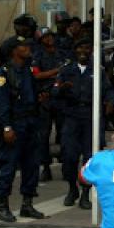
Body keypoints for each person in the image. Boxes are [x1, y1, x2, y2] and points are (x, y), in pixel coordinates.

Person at [54, 37, 114, 209]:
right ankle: (71, 188)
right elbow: (54, 91)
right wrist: (61, 89)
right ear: (75, 51)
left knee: (90, 157)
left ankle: (85, 193)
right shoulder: (66, 70)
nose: (83, 51)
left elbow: (108, 90)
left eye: (87, 48)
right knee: (69, 156)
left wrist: (111, 102)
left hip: (90, 116)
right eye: (80, 47)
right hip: (71, 117)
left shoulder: (98, 70)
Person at [0, 36, 46, 222]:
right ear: (14, 50)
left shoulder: (27, 70)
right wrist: (7, 127)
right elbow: (0, 103)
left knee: (31, 165)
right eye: (23, 46)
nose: (27, 48)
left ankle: (27, 204)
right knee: (8, 165)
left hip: (31, 123)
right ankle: (3, 206)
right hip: (14, 124)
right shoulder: (4, 73)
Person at [32, 26, 66, 182]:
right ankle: (45, 167)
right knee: (43, 136)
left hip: (61, 98)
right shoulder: (37, 55)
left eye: (51, 36)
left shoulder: (62, 53)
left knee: (64, 134)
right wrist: (56, 71)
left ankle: (66, 166)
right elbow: (37, 75)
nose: (49, 39)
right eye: (46, 37)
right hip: (45, 99)